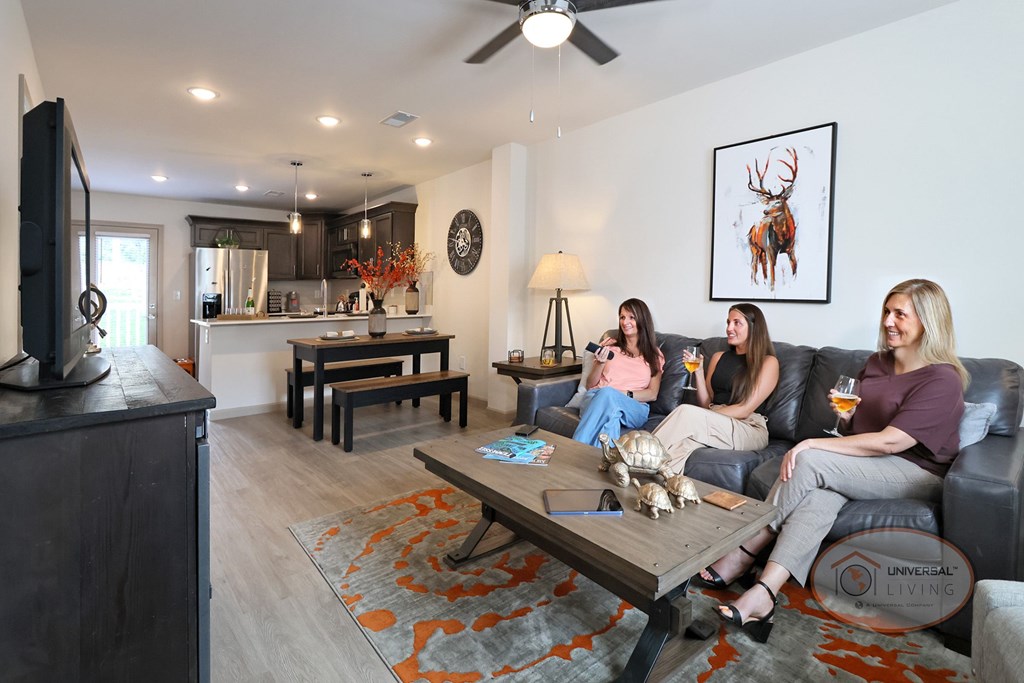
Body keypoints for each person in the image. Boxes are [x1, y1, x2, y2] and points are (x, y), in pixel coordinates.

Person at [696, 279, 968, 644]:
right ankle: (764, 594)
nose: (888, 321)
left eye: (900, 314)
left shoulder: (942, 378)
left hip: (915, 469)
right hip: (869, 464)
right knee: (816, 497)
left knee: (810, 462)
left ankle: (744, 549)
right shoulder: (877, 363)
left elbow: (892, 441)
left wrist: (809, 444)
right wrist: (845, 414)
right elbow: (856, 426)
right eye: (887, 311)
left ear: (928, 322)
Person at [652, 303, 779, 476]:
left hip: (748, 427)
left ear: (754, 328)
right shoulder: (719, 357)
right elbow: (706, 404)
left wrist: (705, 415)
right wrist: (699, 372)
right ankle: (661, 487)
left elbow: (744, 409)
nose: (729, 328)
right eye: (728, 322)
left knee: (685, 412)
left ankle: (637, 455)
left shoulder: (768, 362)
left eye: (736, 323)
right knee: (681, 445)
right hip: (717, 421)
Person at [571, 298, 665, 448]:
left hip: (634, 407)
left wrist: (620, 394)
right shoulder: (610, 345)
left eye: (631, 317)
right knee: (612, 417)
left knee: (608, 394)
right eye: (622, 317)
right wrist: (600, 363)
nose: (625, 322)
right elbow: (590, 385)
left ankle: (575, 449)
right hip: (595, 398)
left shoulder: (654, 355)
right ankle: (598, 465)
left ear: (642, 319)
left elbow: (652, 393)